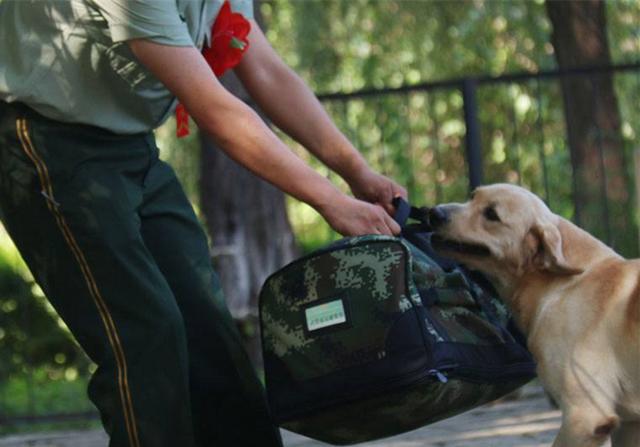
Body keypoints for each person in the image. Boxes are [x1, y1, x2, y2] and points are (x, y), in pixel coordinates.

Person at [0, 1, 406, 446]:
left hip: (130, 144)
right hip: (44, 141)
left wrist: (356, 172)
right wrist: (330, 201)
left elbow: (267, 72)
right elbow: (216, 109)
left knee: (209, 334)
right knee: (147, 338)